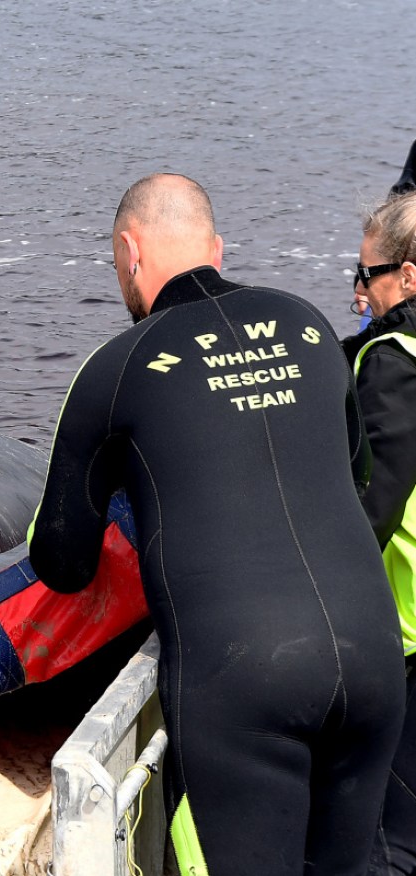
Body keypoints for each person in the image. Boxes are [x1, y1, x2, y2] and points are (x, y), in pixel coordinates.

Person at [28, 173, 404, 875]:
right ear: (216, 249)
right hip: (373, 652)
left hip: (243, 675)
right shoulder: (307, 324)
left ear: (128, 251)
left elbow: (61, 559)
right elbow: (354, 477)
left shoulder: (115, 368)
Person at [340, 192, 416, 875]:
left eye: (367, 273)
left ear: (409, 276)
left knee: (388, 841)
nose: (359, 290)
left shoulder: (393, 360)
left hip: (408, 636)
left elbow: (372, 509)